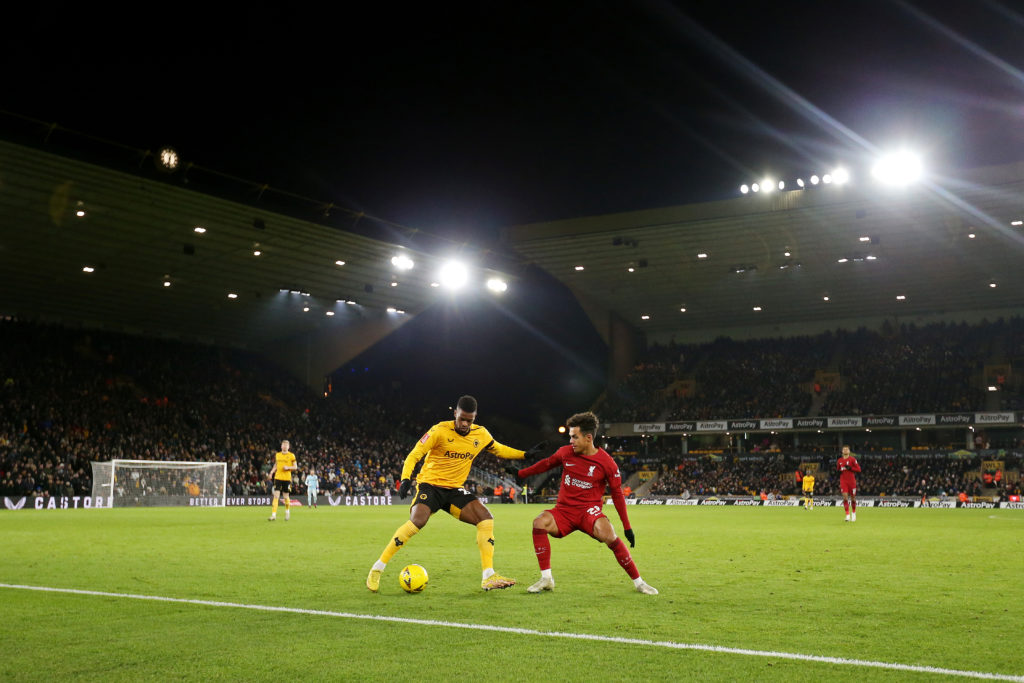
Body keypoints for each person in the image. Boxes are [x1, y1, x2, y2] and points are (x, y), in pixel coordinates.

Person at [366, 395, 544, 592]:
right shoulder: (439, 430)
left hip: (454, 490)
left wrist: (525, 455)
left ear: (475, 417)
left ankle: (488, 576)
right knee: (418, 520)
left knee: (486, 518)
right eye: (462, 419)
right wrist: (406, 479)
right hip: (430, 485)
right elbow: (414, 455)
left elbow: (499, 449)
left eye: (470, 420)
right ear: (455, 414)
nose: (465, 423)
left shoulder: (481, 434)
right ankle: (377, 569)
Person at [512, 411, 658, 595]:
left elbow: (617, 495)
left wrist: (627, 527)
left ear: (588, 438)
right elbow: (546, 464)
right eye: (570, 437)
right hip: (564, 511)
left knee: (610, 535)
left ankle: (639, 583)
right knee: (539, 523)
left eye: (574, 437)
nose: (570, 441)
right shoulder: (565, 453)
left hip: (589, 512)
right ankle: (547, 579)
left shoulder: (607, 463)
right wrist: (520, 474)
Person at [268, 439, 297, 521]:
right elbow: (276, 465)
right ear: (281, 446)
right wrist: (271, 473)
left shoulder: (292, 455)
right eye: (283, 445)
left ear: (288, 447)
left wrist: (288, 468)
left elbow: (295, 467)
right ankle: (273, 515)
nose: (284, 446)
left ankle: (287, 512)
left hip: (287, 478)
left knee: (285, 497)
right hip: (278, 478)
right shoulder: (277, 455)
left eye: (286, 445)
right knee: (276, 496)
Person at [837, 445, 861, 522]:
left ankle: (853, 513)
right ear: (842, 451)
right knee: (845, 498)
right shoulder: (839, 460)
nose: (845, 450)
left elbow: (859, 469)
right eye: (844, 449)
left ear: (849, 451)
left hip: (851, 481)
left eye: (847, 449)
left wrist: (851, 468)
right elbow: (838, 470)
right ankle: (847, 515)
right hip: (843, 481)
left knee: (853, 498)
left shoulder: (852, 459)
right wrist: (839, 471)